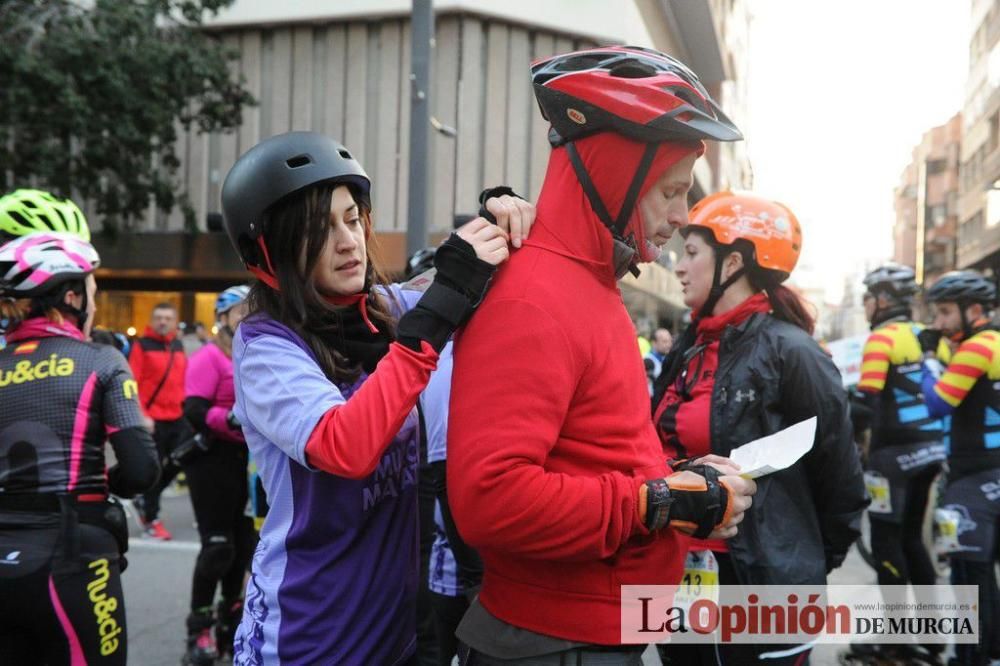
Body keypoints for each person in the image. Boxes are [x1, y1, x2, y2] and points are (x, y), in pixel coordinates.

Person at [447, 46, 756, 664]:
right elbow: (489, 500)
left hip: (589, 632)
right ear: (615, 171)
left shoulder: (590, 284)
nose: (680, 215)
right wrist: (660, 501)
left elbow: (589, 448)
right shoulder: (535, 297)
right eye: (670, 190)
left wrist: (680, 481)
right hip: (556, 643)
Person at [219, 130, 533, 665]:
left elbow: (452, 285)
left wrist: (499, 221)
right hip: (304, 642)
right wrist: (434, 318)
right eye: (319, 229)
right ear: (267, 253)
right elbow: (345, 446)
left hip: (393, 640)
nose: (348, 241)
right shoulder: (265, 344)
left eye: (351, 218)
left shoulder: (386, 308)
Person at [651, 191, 867, 664]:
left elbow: (842, 483)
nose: (679, 266)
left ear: (734, 263)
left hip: (763, 587)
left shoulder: (795, 352)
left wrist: (800, 564)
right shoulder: (687, 349)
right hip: (674, 577)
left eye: (691, 253)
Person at [0, 232, 159, 665]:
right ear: (71, 297)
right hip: (72, 557)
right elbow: (142, 470)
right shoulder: (101, 361)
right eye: (92, 291)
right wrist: (107, 483)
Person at [842, 264, 948, 664]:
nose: (867, 304)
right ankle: (932, 636)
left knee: (888, 543)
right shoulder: (926, 336)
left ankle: (893, 639)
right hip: (929, 452)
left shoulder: (881, 339)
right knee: (912, 543)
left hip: (892, 458)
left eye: (869, 297)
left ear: (883, 300)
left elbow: (866, 406)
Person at [920, 270, 1000, 665]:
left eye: (946, 312)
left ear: (973, 311)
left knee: (969, 575)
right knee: (986, 575)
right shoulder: (995, 343)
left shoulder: (975, 349)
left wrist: (928, 358)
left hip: (970, 478)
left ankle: (972, 658)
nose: (938, 322)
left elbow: (937, 403)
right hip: (994, 471)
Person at [181, 285, 256, 665]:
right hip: (212, 460)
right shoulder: (209, 357)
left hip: (247, 460)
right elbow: (193, 408)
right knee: (217, 549)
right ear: (222, 318)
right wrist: (227, 418)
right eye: (238, 311)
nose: (245, 317)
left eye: (250, 310)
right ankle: (199, 631)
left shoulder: (253, 352)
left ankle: (232, 625)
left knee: (244, 550)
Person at [129, 301, 190, 540]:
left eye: (167, 318)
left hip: (177, 417)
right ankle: (151, 519)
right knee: (154, 471)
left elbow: (182, 379)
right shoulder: (141, 346)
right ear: (152, 320)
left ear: (174, 322)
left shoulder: (178, 345)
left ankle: (145, 500)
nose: (163, 322)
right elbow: (132, 382)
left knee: (181, 461)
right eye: (159, 318)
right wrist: (142, 414)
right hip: (152, 419)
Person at [644, 327, 673, 394]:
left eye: (670, 341)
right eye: (664, 341)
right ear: (654, 343)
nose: (669, 345)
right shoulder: (647, 361)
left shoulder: (668, 359)